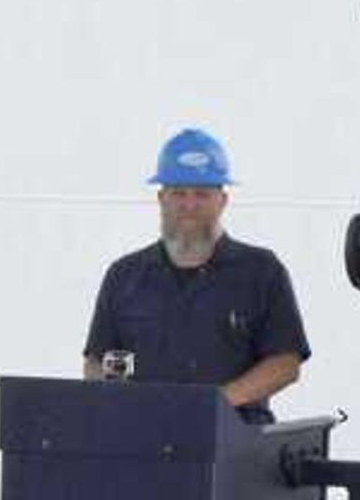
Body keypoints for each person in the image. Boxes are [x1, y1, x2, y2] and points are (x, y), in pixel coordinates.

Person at [81, 127, 309, 418]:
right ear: (162, 198)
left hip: (232, 443)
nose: (190, 206)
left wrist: (216, 405)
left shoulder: (262, 273)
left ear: (223, 200)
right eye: (179, 193)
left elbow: (285, 364)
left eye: (202, 194)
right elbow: (97, 361)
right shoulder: (124, 276)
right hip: (141, 441)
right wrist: (119, 403)